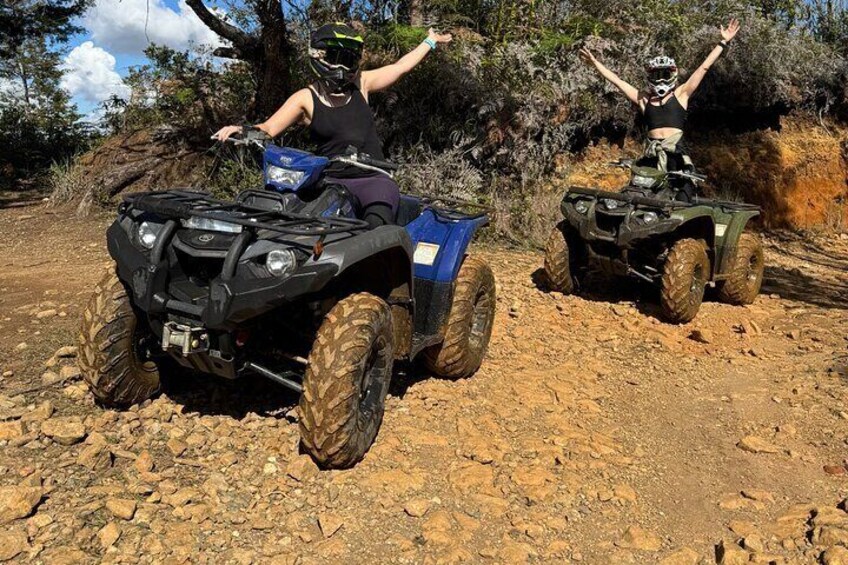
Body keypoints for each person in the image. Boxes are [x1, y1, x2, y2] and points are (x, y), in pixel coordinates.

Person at [213, 22, 452, 227]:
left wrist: (429, 41)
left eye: (348, 59)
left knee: (375, 230)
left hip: (372, 179)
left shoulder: (362, 83)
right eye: (335, 58)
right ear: (319, 56)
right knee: (294, 220)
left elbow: (400, 67)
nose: (342, 67)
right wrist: (240, 130)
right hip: (328, 180)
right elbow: (268, 128)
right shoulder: (305, 98)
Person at [579, 18, 740, 200]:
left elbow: (703, 67)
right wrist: (595, 64)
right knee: (635, 196)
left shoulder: (681, 94)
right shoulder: (643, 99)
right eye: (657, 74)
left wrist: (723, 42)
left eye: (665, 74)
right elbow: (617, 81)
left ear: (673, 74)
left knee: (682, 200)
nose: (661, 79)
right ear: (650, 76)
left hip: (677, 157)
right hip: (651, 158)